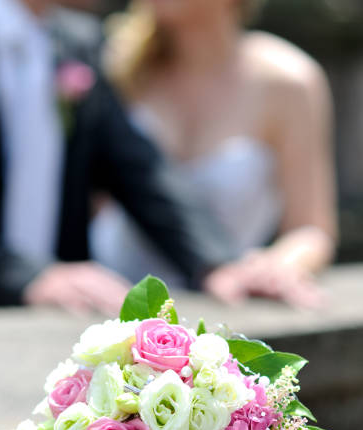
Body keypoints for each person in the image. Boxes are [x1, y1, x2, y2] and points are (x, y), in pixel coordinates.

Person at [0, 0, 233, 314]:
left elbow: (138, 167)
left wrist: (218, 264)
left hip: (50, 326)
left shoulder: (78, 41)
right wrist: (23, 276)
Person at [94, 0, 338, 306]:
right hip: (106, 307)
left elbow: (310, 229)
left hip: (221, 304)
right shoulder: (116, 68)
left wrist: (276, 267)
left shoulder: (288, 81)